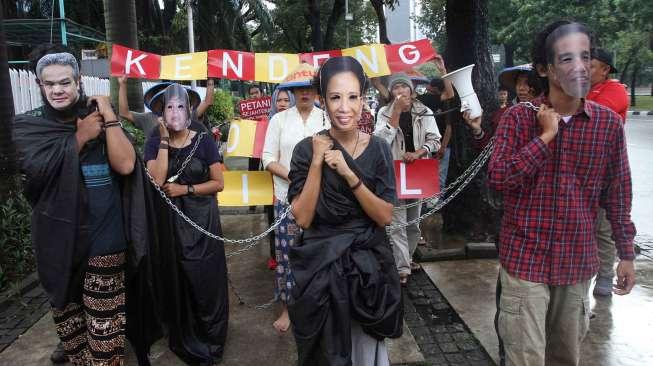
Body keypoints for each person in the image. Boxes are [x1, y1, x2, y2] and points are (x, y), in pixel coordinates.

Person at [489, 21, 636, 365]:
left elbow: (617, 194)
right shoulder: (517, 119)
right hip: (525, 261)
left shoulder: (607, 125)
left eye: (585, 57)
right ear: (545, 69)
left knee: (565, 358)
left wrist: (625, 253)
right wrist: (544, 138)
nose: (580, 67)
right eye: (567, 59)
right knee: (525, 358)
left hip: (576, 264)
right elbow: (499, 179)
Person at [13, 45, 136, 365]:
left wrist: (108, 115)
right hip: (57, 246)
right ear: (40, 85)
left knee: (106, 339)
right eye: (49, 83)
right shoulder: (29, 127)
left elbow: (125, 166)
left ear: (78, 81)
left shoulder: (96, 115)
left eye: (65, 82)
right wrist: (79, 139)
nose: (57, 89)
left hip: (104, 242)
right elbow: (34, 177)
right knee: (74, 339)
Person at [287, 56, 403, 365]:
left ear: (364, 100)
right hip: (322, 267)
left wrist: (350, 176)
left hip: (367, 270)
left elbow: (384, 216)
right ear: (322, 100)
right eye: (335, 97)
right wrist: (316, 162)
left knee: (364, 351)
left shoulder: (378, 148)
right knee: (327, 353)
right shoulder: (305, 149)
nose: (344, 107)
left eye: (353, 97)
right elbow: (303, 218)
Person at [144, 83, 228, 365]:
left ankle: (212, 337)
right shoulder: (154, 142)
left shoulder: (203, 140)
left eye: (181, 106)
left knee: (205, 279)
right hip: (169, 226)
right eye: (169, 107)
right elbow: (156, 179)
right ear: (161, 113)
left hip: (202, 221)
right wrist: (164, 140)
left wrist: (186, 190)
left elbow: (219, 183)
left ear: (190, 110)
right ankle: (185, 333)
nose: (175, 112)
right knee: (177, 277)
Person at [262, 63, 325, 333]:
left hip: (322, 198)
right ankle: (287, 309)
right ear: (291, 91)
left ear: (317, 91)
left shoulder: (325, 118)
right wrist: (294, 177)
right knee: (287, 254)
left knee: (320, 252)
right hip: (286, 198)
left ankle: (319, 305)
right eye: (299, 88)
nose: (304, 93)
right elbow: (268, 159)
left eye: (309, 88)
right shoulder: (279, 120)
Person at [374, 73, 441, 284]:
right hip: (393, 173)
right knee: (397, 223)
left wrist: (420, 152)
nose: (400, 91)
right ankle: (402, 268)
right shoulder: (384, 112)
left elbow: (435, 140)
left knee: (413, 223)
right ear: (391, 92)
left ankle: (407, 258)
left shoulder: (424, 112)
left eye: (404, 87)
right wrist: (395, 113)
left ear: (412, 91)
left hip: (417, 172)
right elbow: (381, 143)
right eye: (396, 88)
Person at [586, 47, 630, 297]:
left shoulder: (615, 90)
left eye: (590, 65)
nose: (584, 70)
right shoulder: (584, 90)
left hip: (604, 171)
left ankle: (604, 276)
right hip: (582, 169)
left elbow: (594, 114)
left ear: (604, 69)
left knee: (603, 228)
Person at [118, 77, 214, 135]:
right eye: (162, 98)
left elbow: (207, 102)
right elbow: (124, 113)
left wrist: (210, 80)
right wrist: (122, 84)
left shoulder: (184, 115)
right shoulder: (147, 118)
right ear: (154, 101)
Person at [416, 59, 455, 189]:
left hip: (439, 146)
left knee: (438, 178)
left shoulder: (443, 102)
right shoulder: (422, 100)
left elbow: (448, 127)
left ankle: (435, 206)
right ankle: (427, 206)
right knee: (428, 177)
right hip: (426, 145)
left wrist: (443, 147)